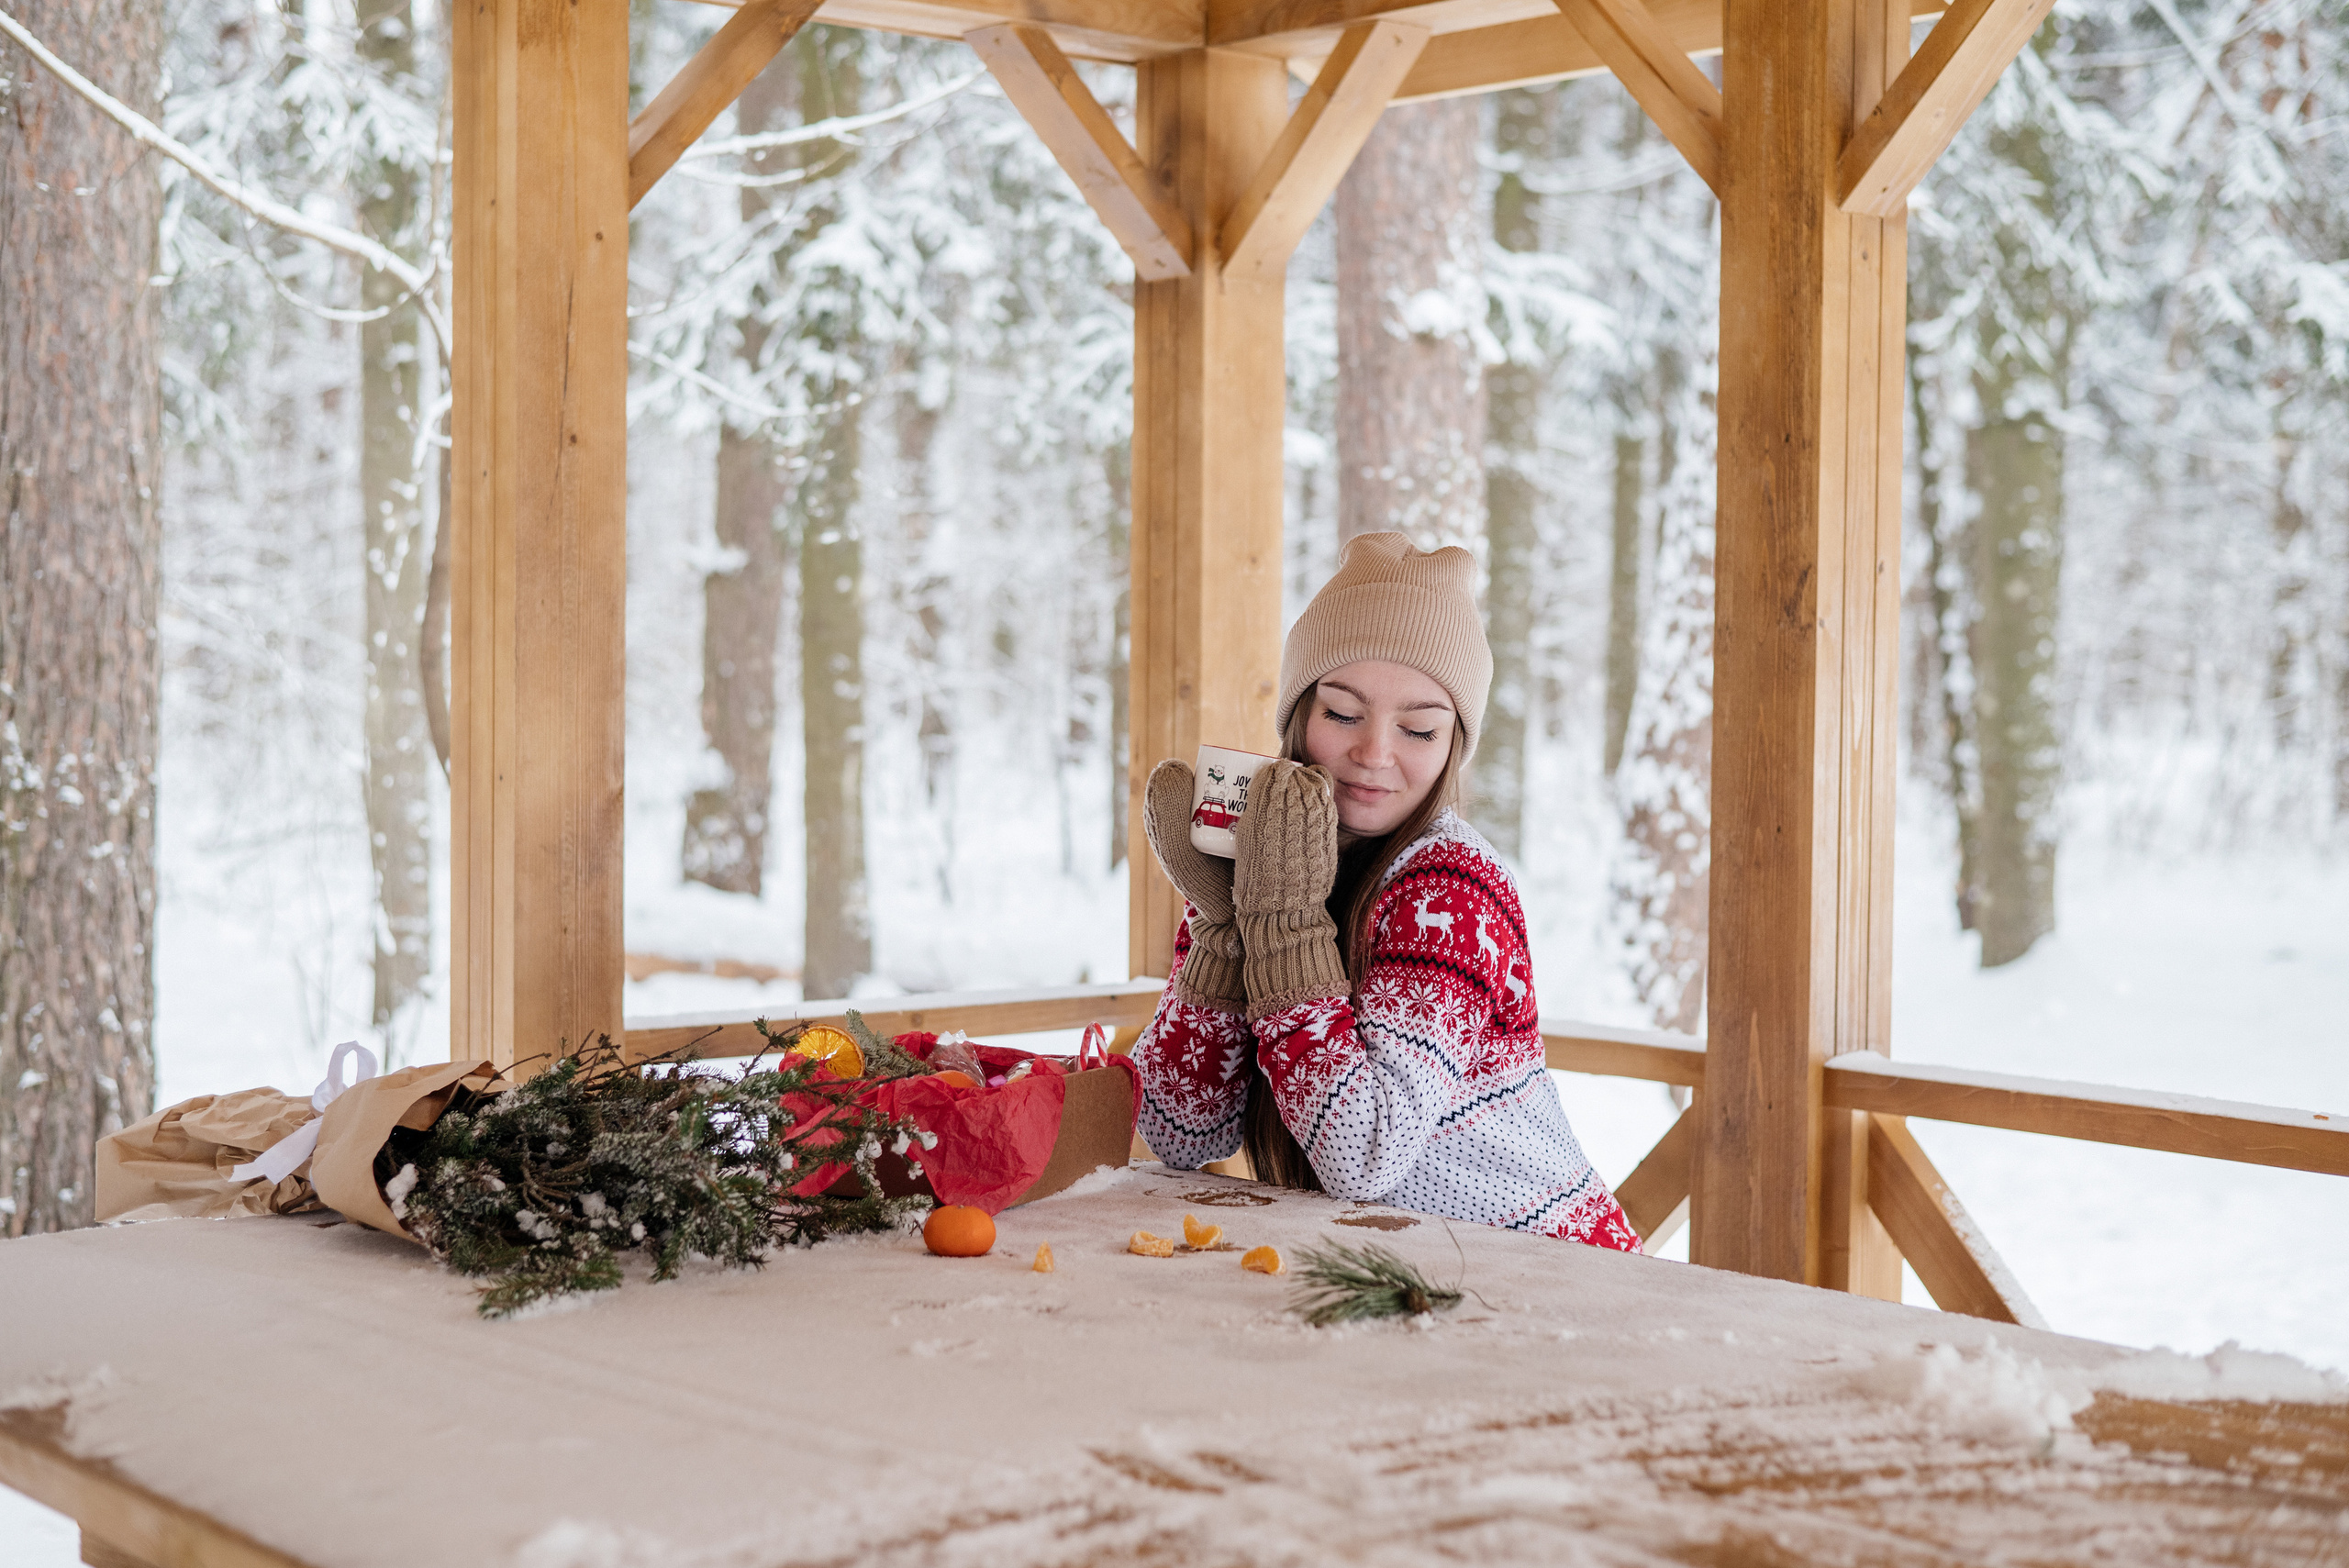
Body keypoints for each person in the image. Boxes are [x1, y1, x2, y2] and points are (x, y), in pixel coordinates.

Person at [1132, 532, 1641, 1251]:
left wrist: (1281, 927)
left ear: (1452, 746)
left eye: (1419, 728)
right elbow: (1181, 1129)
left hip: (1551, 1273)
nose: (1374, 754)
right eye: (1342, 714)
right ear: (1299, 717)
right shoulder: (1258, 865)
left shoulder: (1454, 890)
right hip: (1400, 1272)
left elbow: (1364, 1151)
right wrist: (1224, 930)